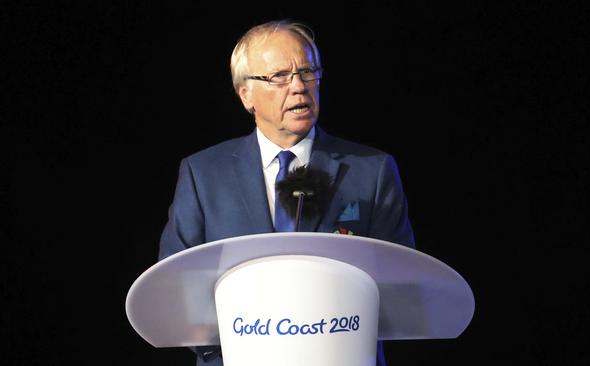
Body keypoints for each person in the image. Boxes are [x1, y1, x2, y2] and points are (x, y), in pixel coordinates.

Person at [158, 19, 415, 366]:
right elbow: (175, 288)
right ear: (245, 94)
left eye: (308, 71)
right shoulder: (202, 175)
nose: (299, 87)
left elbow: (400, 285)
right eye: (279, 76)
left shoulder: (372, 170)